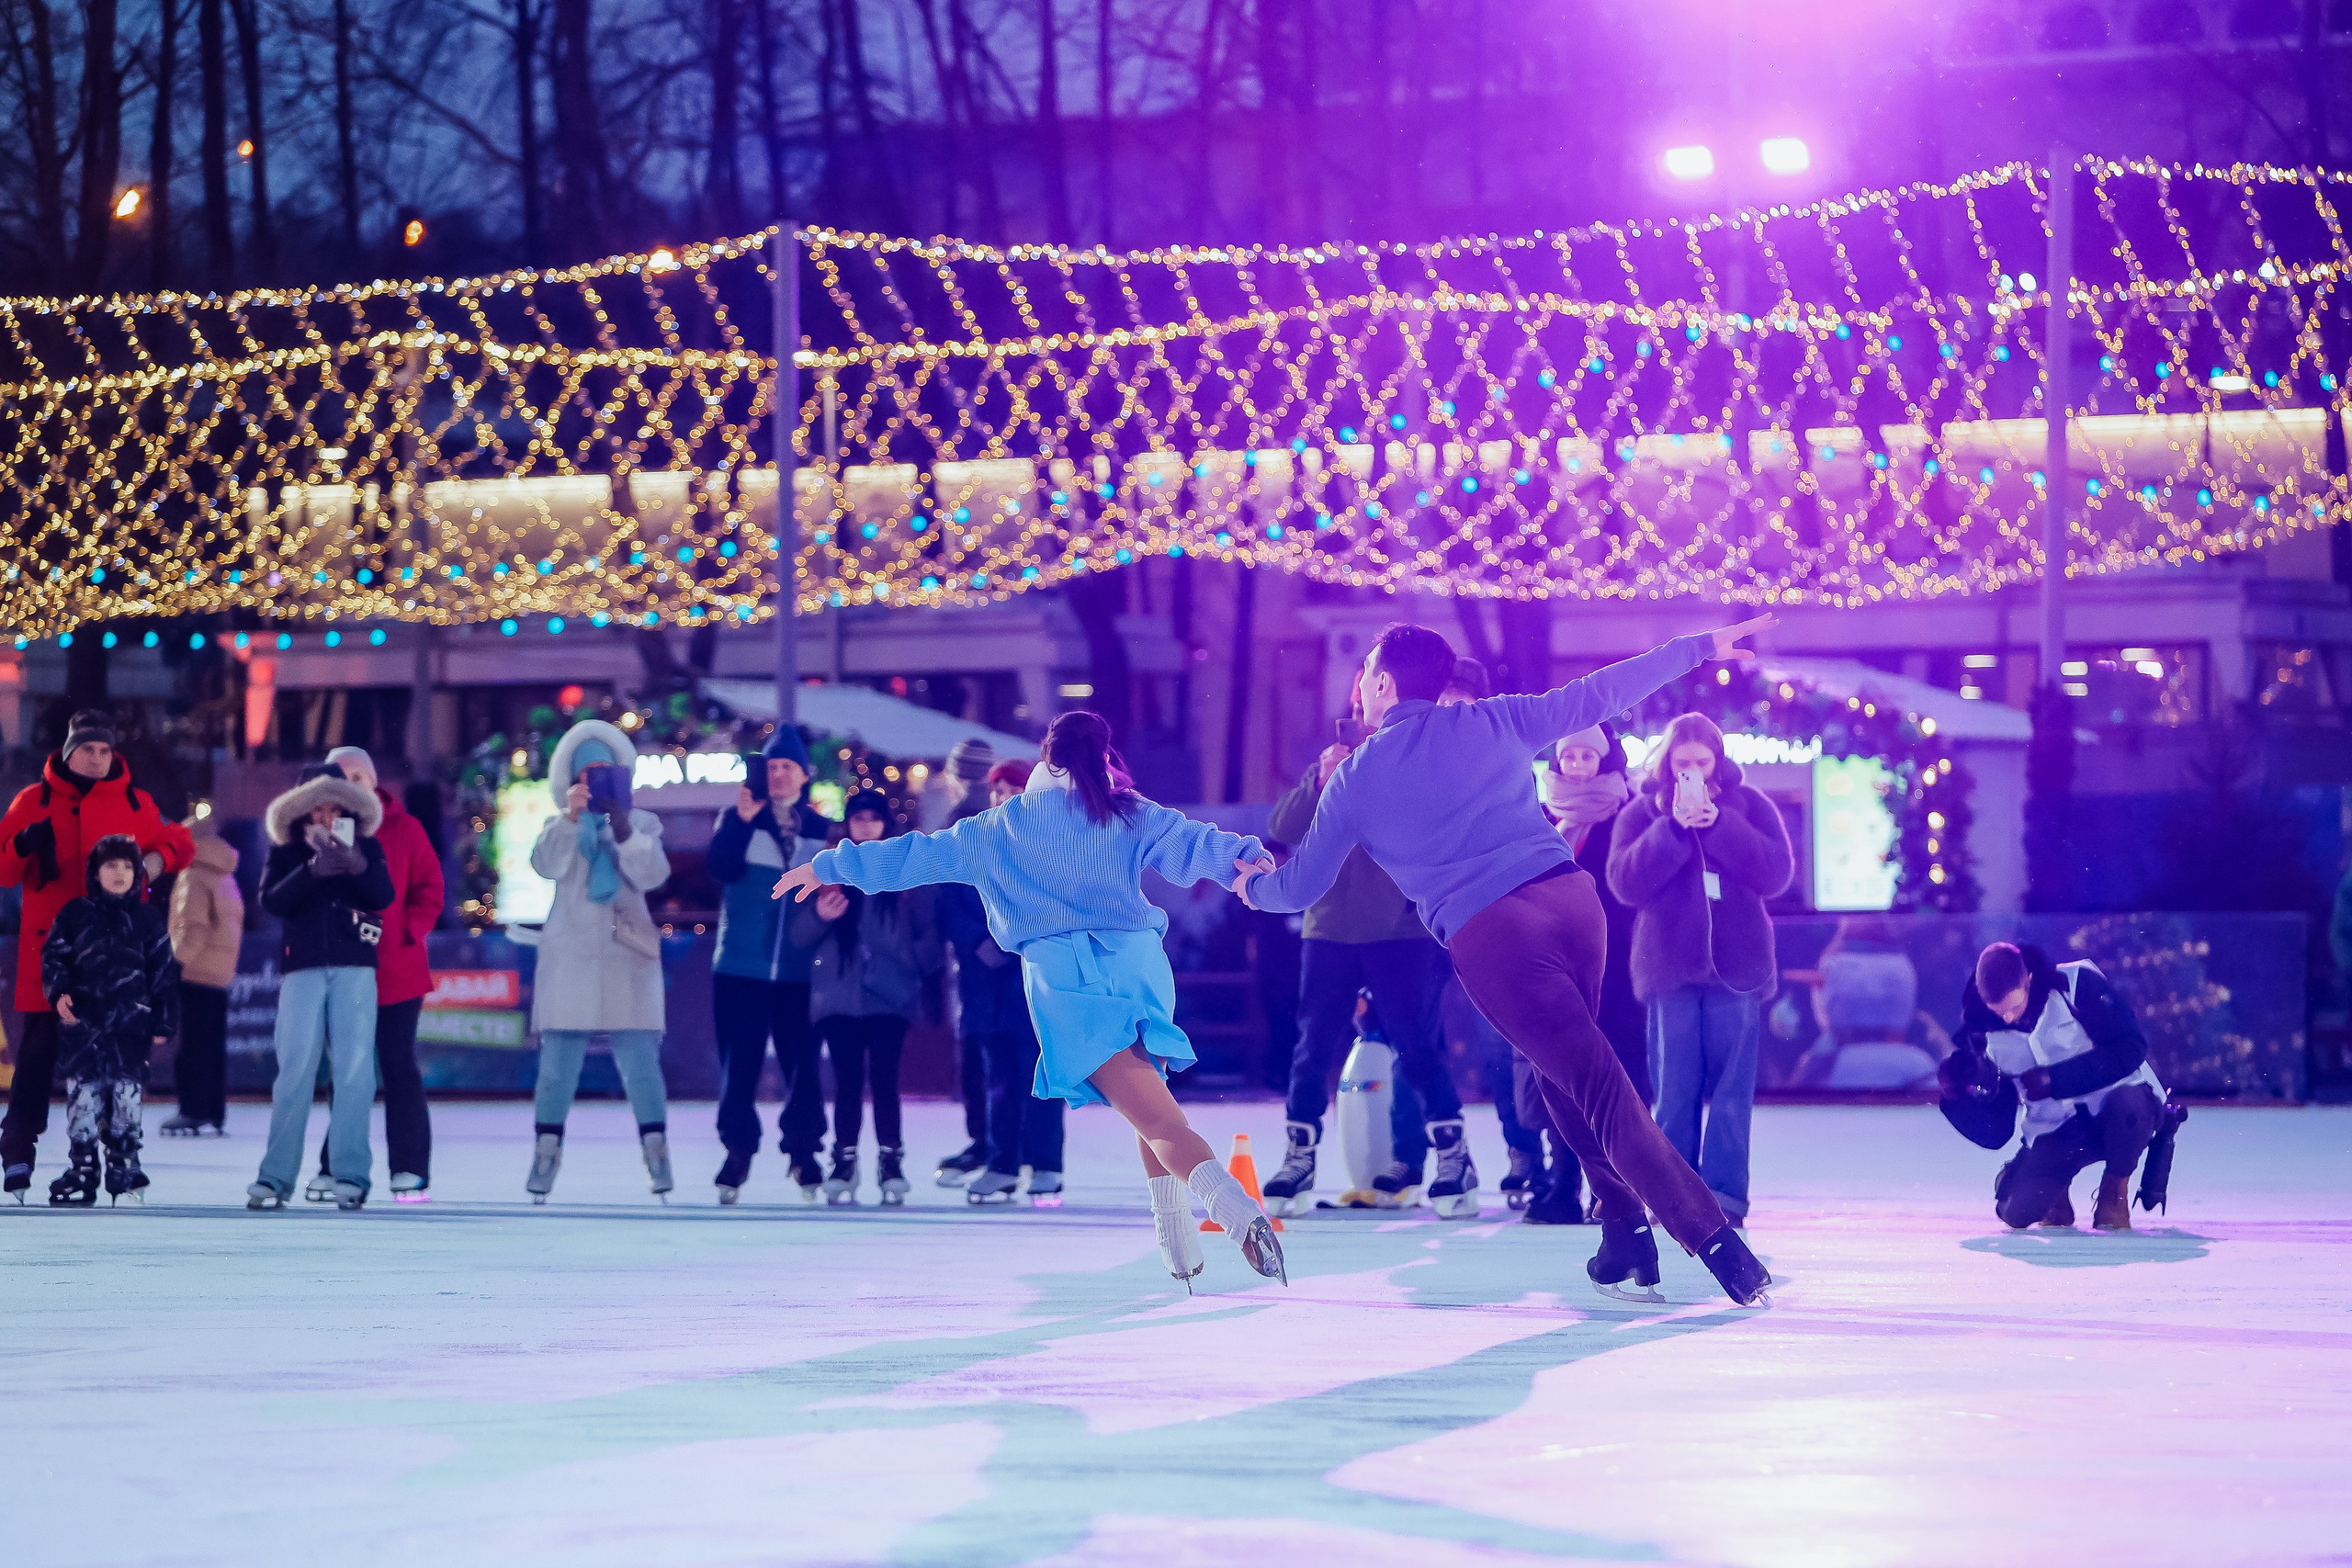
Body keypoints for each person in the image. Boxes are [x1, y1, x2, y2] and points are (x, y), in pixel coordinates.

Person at [1237, 619, 1779, 1307]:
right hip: (1571, 904)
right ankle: (1623, 1233)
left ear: (1379, 682)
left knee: (1597, 1083)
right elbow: (1599, 694)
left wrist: (1249, 884)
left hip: (1497, 934)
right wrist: (1697, 647)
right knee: (1564, 1071)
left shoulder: (1358, 774)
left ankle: (1718, 1245)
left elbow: (1300, 886)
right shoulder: (1491, 721)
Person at [776, 710, 1288, 1292]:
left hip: (1067, 982)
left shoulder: (1001, 826)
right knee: (1154, 1107)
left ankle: (1236, 1211)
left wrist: (830, 865)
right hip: (1138, 967)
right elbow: (1194, 842)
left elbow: (917, 857)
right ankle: (1178, 1245)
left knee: (1155, 1118)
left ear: (1046, 759)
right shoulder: (1126, 811)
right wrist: (1246, 856)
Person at [1260, 669, 1473, 1217]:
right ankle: (1299, 1155)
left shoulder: (1411, 756)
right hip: (1329, 926)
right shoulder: (1334, 757)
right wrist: (1319, 779)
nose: (1368, 705)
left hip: (1397, 929)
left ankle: (1453, 1156)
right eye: (1361, 697)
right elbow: (1283, 827)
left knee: (1414, 1044)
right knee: (1312, 1046)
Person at [1607, 713, 1794, 1232]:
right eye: (1682, 762)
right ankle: (1673, 1195)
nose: (1692, 770)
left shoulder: (1751, 805)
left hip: (1739, 969)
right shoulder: (1642, 813)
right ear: (1667, 763)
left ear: (1718, 761)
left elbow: (1776, 872)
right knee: (1674, 1090)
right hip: (1668, 970)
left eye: (1702, 761)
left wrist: (1721, 826)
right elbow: (1624, 883)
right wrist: (1671, 830)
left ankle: (1726, 1197)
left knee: (1733, 1092)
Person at [0, 711, 195, 1201]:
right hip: (53, 955)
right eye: (88, 749)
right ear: (69, 752)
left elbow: (180, 841)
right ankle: (18, 1147)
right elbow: (2, 870)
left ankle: (114, 1161)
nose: (97, 758)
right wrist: (23, 844)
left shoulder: (135, 801)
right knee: (39, 1054)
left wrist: (152, 862)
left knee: (114, 1068)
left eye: (105, 750)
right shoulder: (33, 801)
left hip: (115, 966)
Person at [521, 718, 674, 1204]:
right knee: (557, 1064)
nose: (597, 780)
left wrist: (624, 828)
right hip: (572, 954)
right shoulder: (557, 824)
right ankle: (546, 1153)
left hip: (627, 955)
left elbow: (653, 875)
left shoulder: (643, 823)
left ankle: (656, 1151)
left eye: (606, 772)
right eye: (588, 773)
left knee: (641, 1061)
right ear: (571, 779)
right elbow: (544, 865)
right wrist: (571, 820)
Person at [1510, 720, 1645, 1224]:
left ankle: (1615, 1188)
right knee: (1559, 1075)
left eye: (1589, 757)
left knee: (1613, 1077)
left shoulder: (1627, 815)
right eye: (1571, 757)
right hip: (1556, 964)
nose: (1579, 766)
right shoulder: (1540, 818)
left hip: (1614, 964)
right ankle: (1563, 1182)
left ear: (1605, 762)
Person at [295, 747, 446, 1201]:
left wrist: (408, 932)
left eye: (360, 774)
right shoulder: (316, 832)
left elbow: (430, 889)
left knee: (398, 1065)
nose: (352, 782)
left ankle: (410, 1169)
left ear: (374, 780)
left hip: (397, 972)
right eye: (342, 776)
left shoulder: (404, 827)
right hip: (341, 970)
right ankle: (333, 1166)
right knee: (347, 1072)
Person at [1940, 942, 2171, 1232]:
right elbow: (1996, 1133)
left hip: (2116, 1113)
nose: (2007, 1018)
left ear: (2029, 980)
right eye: (1997, 1010)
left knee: (2130, 1107)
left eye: (2014, 1006)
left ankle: (2115, 1189)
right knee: (2016, 1213)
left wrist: (2057, 1080)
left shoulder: (2076, 986)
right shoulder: (1981, 1036)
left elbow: (2130, 1048)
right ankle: (2051, 1189)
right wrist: (1957, 1097)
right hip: (2055, 1132)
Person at [248, 766, 397, 1211]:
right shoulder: (287, 850)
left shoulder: (367, 845)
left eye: (336, 808)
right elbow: (272, 901)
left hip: (354, 966)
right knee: (294, 1071)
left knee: (354, 1071)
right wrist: (310, 871)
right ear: (303, 812)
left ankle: (351, 1175)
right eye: (319, 808)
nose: (328, 817)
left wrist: (357, 864)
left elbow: (383, 895)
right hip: (303, 968)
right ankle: (275, 1178)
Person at [791, 789, 943, 1205]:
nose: (865, 825)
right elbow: (798, 936)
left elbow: (929, 933)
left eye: (873, 818)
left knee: (885, 1080)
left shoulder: (905, 871)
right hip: (838, 994)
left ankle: (890, 1160)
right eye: (858, 818)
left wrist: (910, 962)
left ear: (886, 824)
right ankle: (845, 1160)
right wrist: (821, 916)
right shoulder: (829, 868)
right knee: (846, 1081)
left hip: (889, 995)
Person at [707, 728, 828, 1203]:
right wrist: (740, 821)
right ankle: (737, 1151)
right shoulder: (736, 819)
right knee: (739, 1066)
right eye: (771, 767)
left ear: (804, 775)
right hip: (739, 968)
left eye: (787, 767)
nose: (778, 775)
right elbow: (720, 869)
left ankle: (803, 1152)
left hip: (799, 973)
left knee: (803, 1068)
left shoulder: (821, 829)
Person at [950, 758, 1069, 1205]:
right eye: (996, 791)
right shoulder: (977, 839)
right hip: (985, 985)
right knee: (997, 1078)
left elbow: (1055, 903)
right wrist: (977, 942)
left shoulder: (1049, 844)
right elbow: (952, 897)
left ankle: (1046, 1166)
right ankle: (1001, 1164)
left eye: (1011, 790)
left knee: (1040, 1076)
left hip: (1033, 980)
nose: (1001, 799)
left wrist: (1010, 942)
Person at [40, 836, 179, 1205]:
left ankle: (125, 1164)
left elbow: (163, 971)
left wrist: (163, 1017)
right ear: (95, 872)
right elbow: (54, 958)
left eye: (127, 866)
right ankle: (82, 1168)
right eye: (110, 866)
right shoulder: (75, 914)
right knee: (83, 1099)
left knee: (126, 1098)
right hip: (83, 1029)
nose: (119, 873)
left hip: (130, 1028)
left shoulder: (148, 919)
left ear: (137, 874)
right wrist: (59, 992)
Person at [933, 735, 998, 1184]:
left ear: (957, 777)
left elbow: (948, 896)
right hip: (1017, 952)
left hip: (978, 959)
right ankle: (1011, 1145)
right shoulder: (1011, 817)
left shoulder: (958, 821)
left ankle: (987, 1143)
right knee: (1016, 1052)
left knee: (979, 1050)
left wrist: (975, 941)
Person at [163, 818, 243, 1137]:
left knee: (192, 1045)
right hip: (220, 971)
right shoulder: (224, 875)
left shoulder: (193, 875)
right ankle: (213, 1110)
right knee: (211, 1044)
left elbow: (192, 926)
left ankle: (192, 1109)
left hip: (195, 968)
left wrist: (175, 963)